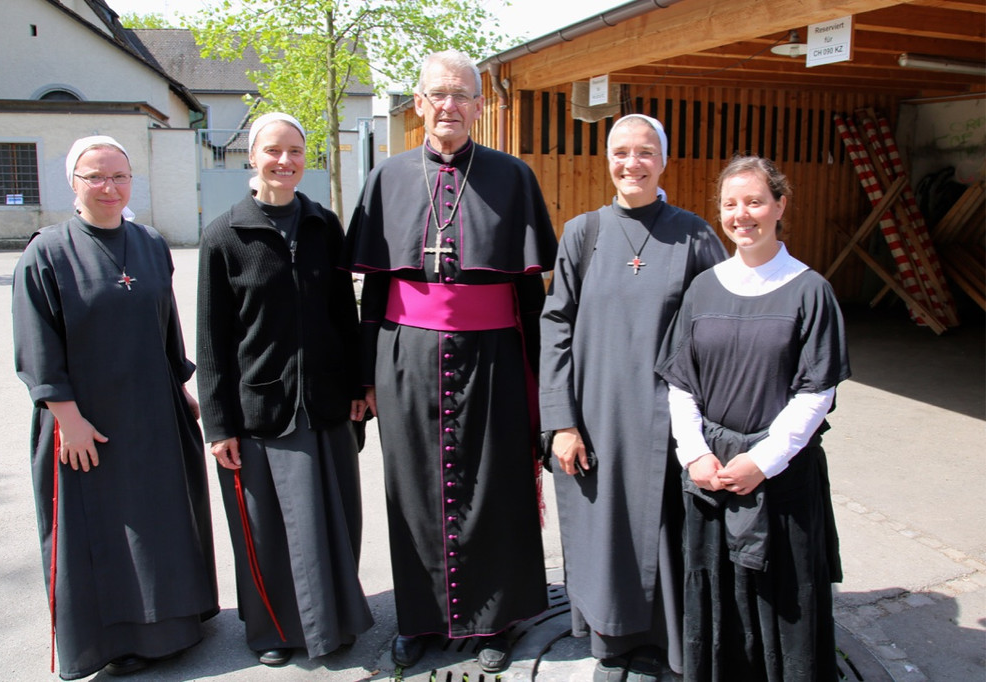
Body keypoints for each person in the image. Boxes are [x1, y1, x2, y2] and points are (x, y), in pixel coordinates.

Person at [342, 49, 557, 673]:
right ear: (418, 103)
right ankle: (419, 619)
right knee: (413, 490)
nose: (449, 105)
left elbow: (530, 294)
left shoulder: (512, 177)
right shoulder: (387, 178)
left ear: (479, 106)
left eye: (462, 94)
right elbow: (375, 289)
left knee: (494, 487)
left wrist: (542, 383)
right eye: (439, 93)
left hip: (493, 356)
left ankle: (496, 622)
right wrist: (365, 374)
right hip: (406, 356)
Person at [12, 136, 219, 680]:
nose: (109, 187)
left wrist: (180, 386)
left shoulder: (149, 243)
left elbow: (165, 323)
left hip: (153, 408)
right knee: (106, 530)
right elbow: (36, 344)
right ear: (73, 182)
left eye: (119, 176)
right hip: (87, 421)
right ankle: (118, 640)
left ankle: (176, 624)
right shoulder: (47, 252)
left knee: (162, 519)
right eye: (95, 177)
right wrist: (68, 419)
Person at [539, 114, 727, 682]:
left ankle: (669, 643)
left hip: (669, 419)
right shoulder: (583, 233)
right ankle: (611, 637)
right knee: (605, 529)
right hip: (595, 416)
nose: (632, 163)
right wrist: (561, 422)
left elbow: (722, 323)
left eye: (645, 152)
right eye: (621, 152)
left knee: (667, 532)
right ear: (607, 159)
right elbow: (556, 325)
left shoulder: (694, 235)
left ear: (663, 161)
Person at [656, 156, 849, 681]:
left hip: (781, 483)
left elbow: (817, 392)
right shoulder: (703, 288)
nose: (742, 215)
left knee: (784, 603)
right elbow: (680, 382)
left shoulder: (810, 290)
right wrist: (695, 454)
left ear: (780, 206)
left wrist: (762, 461)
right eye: (730, 204)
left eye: (755, 201)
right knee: (717, 602)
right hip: (712, 478)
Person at [196, 112, 373, 668]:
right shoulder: (224, 235)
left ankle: (337, 620)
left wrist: (359, 384)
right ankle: (271, 627)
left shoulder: (324, 225)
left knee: (336, 520)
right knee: (269, 530)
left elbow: (345, 314)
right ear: (252, 157)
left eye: (295, 151)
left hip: (326, 403)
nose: (284, 161)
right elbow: (211, 341)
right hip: (262, 408)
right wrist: (218, 425)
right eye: (273, 150)